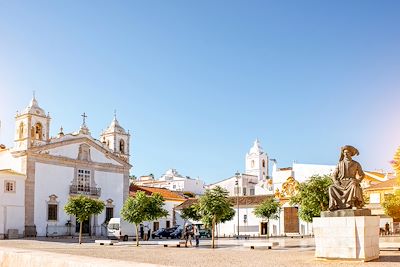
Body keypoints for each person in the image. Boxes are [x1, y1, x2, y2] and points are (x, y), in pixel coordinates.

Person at [328, 145, 365, 211]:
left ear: (351, 154)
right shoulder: (340, 164)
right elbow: (334, 175)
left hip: (351, 182)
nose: (345, 154)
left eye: (347, 152)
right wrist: (335, 181)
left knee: (354, 185)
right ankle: (334, 205)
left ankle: (353, 203)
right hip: (341, 183)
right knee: (331, 187)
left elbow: (362, 174)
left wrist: (358, 180)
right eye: (344, 152)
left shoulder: (356, 164)